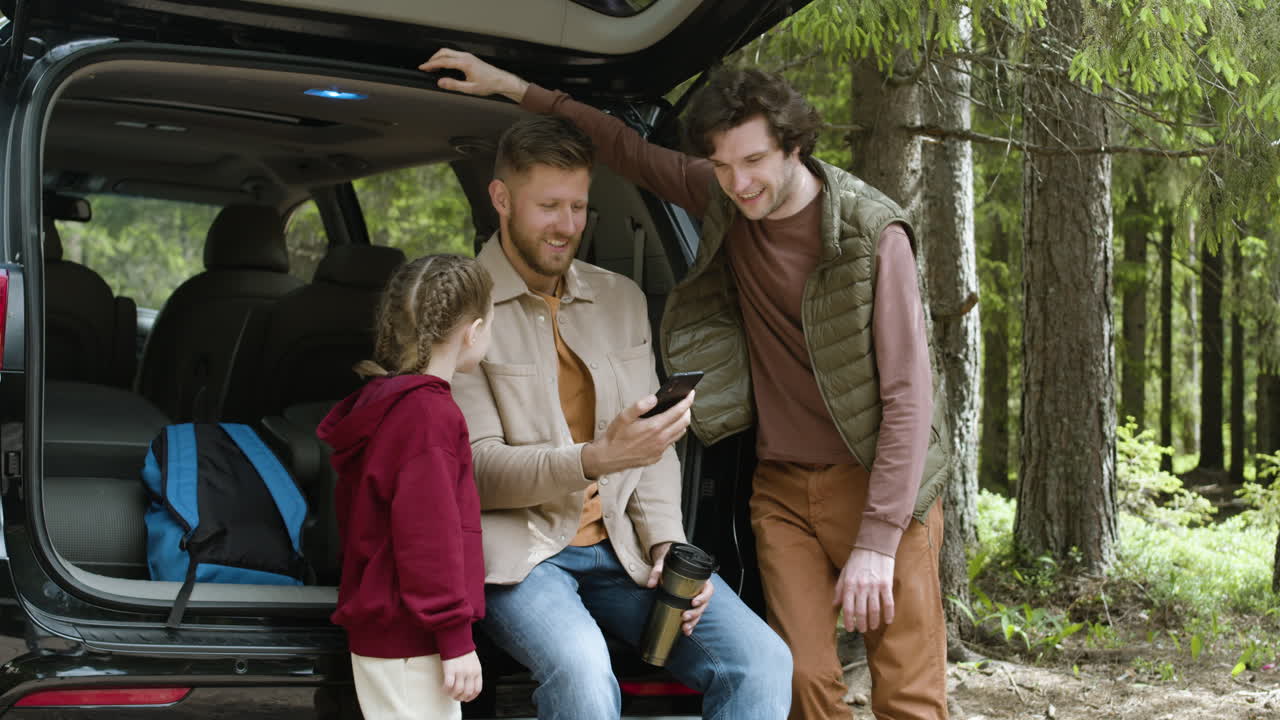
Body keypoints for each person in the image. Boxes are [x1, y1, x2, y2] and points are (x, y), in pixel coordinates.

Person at [421, 50, 952, 720]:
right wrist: (515, 87)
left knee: (885, 686)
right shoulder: (722, 198)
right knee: (802, 685)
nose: (739, 183)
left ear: (793, 147)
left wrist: (875, 539)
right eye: (723, 167)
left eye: (754, 161)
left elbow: (910, 397)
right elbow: (625, 147)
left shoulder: (870, 234)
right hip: (763, 491)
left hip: (879, 481)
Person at [441, 112, 793, 720]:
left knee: (763, 661)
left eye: (578, 207)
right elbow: (475, 472)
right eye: (548, 206)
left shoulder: (620, 298)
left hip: (624, 551)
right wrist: (595, 459)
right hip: (520, 558)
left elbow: (652, 447)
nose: (567, 227)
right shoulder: (461, 309)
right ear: (500, 198)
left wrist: (667, 546)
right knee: (582, 672)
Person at [317, 254, 495, 720]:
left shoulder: (384, 406)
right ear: (473, 331)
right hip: (411, 640)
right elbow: (427, 539)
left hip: (393, 632)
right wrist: (454, 638)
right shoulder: (429, 417)